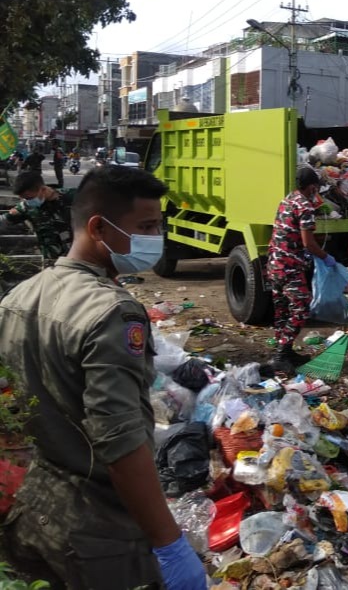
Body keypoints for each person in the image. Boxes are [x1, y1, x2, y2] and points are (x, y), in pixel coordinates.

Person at [0, 166, 208, 589]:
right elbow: (121, 442)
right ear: (98, 228)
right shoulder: (113, 312)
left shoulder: (19, 296)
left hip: (33, 507)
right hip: (99, 534)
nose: (157, 237)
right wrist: (169, 542)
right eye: (146, 227)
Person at [265, 166, 334, 375]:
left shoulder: (287, 200)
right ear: (312, 187)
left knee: (282, 310)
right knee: (301, 307)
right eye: (316, 188)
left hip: (274, 263)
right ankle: (281, 355)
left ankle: (285, 352)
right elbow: (308, 243)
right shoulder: (305, 206)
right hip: (289, 266)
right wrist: (326, 257)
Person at [0, 171, 76, 263]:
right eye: (24, 198)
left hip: (79, 259)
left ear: (43, 189)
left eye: (29, 198)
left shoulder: (75, 197)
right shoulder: (26, 207)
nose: (27, 201)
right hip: (52, 262)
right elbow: (4, 220)